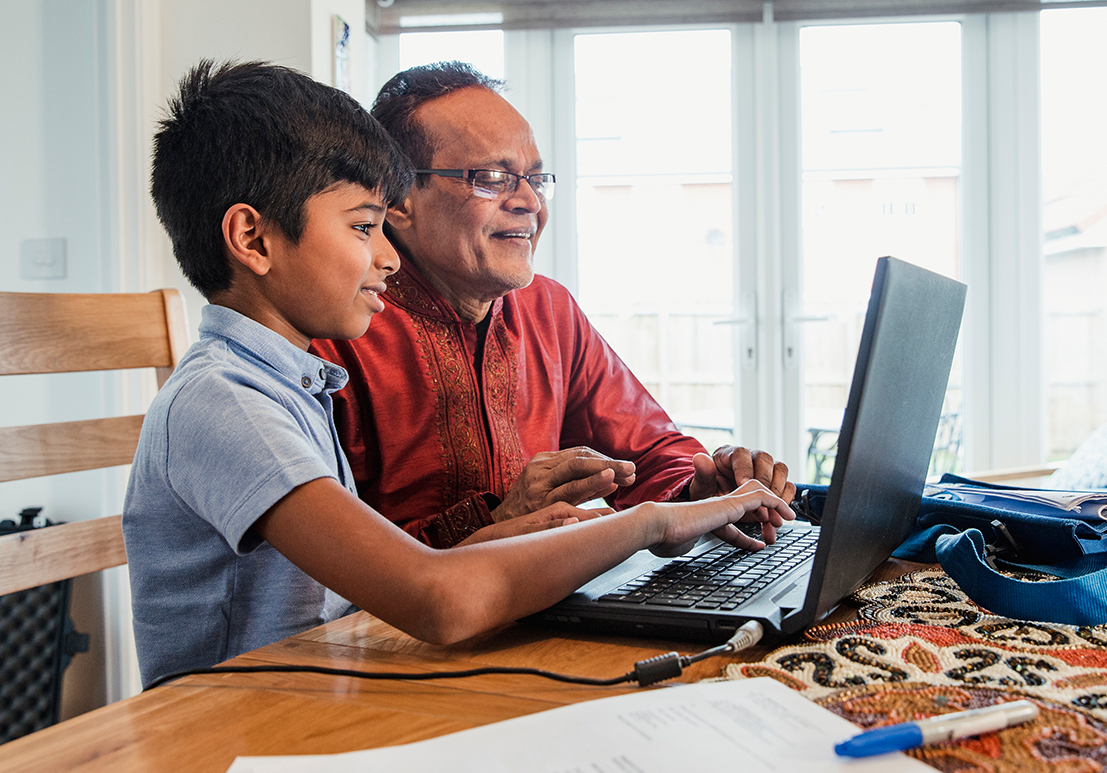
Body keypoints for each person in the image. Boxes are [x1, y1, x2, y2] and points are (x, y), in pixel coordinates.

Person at [122, 59, 795, 687]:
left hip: (355, 676)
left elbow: (392, 593)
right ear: (253, 239)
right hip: (254, 716)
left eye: (535, 179)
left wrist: (690, 494)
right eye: (363, 226)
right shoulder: (245, 392)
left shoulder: (293, 378)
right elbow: (432, 595)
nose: (529, 202)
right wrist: (647, 522)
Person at [311, 62, 796, 550]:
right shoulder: (331, 331)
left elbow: (650, 453)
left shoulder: (547, 309)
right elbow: (328, 563)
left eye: (535, 179)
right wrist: (499, 519)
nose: (530, 202)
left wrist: (703, 488)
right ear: (399, 200)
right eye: (493, 177)